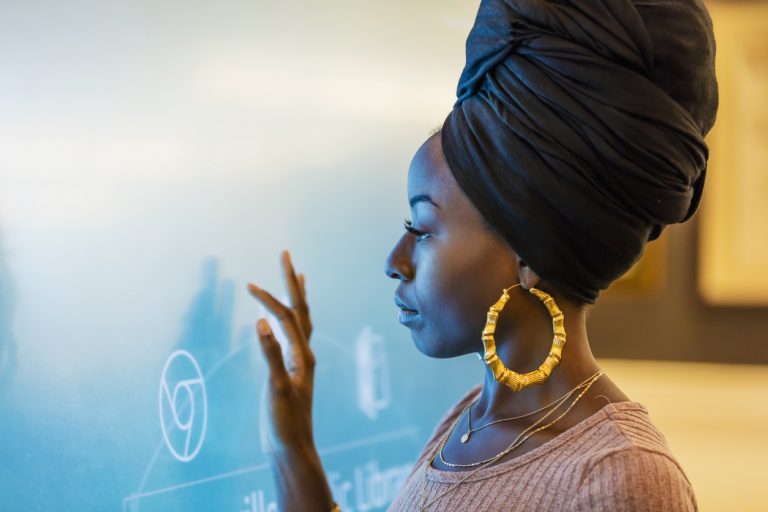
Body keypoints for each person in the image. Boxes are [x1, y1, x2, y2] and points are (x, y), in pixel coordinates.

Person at [247, 0, 718, 510]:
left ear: (527, 247)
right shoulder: (467, 423)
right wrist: (292, 449)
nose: (395, 260)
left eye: (422, 229)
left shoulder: (619, 477)